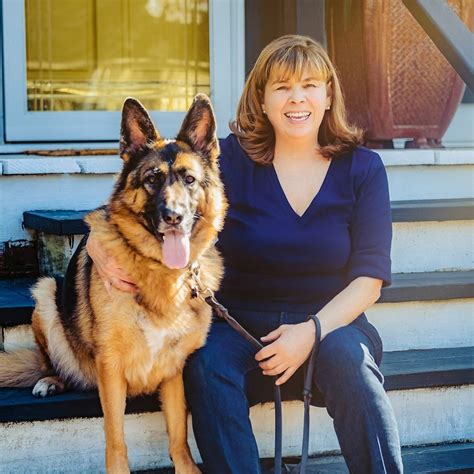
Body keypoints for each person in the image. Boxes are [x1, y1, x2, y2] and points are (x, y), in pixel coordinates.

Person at [87, 35, 403, 473]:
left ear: (329, 96)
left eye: (310, 85)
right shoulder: (229, 160)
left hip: (330, 326)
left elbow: (369, 281)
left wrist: (309, 332)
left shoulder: (363, 168)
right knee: (206, 364)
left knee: (354, 364)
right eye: (282, 87)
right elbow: (140, 203)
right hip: (237, 326)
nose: (297, 98)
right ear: (262, 99)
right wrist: (95, 245)